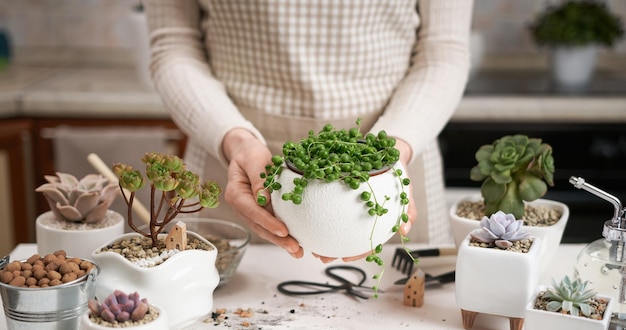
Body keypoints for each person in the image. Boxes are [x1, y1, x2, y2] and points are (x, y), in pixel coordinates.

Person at [143, 0, 473, 261]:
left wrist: (393, 150)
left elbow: (443, 49)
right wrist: (236, 139)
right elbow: (174, 44)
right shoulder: (238, 149)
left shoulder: (391, 152)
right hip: (238, 155)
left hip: (393, 147)